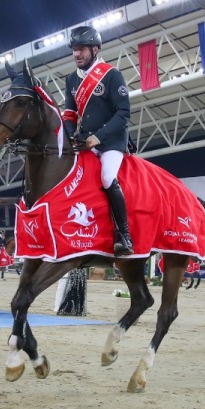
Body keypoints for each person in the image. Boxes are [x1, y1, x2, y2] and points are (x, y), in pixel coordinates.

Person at [62, 25, 133, 256]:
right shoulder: (71, 79)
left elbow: (123, 113)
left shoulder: (111, 75)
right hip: (85, 142)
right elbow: (69, 113)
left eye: (81, 49)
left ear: (95, 49)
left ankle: (124, 235)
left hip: (111, 142)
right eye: (74, 49)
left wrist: (98, 137)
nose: (76, 54)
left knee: (106, 177)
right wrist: (72, 134)